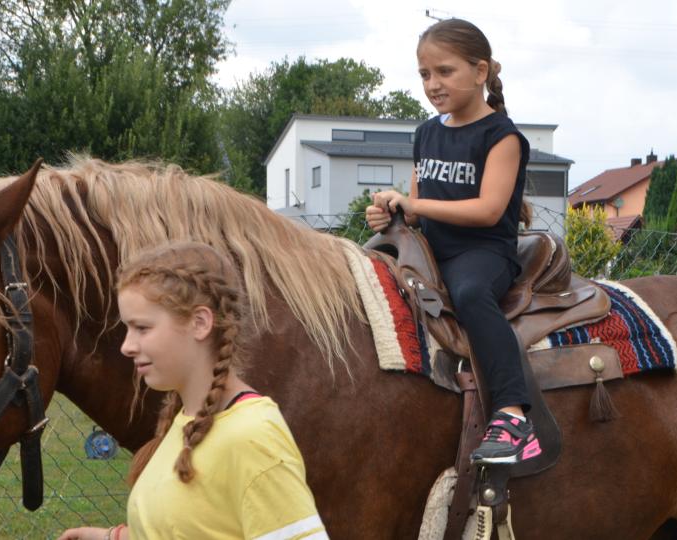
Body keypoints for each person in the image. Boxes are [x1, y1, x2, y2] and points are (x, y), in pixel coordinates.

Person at [58, 241, 326, 540]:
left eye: (142, 328)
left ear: (200, 323)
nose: (127, 346)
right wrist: (112, 537)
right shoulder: (186, 420)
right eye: (127, 329)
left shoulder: (254, 437)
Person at [365, 18, 540, 465]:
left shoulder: (502, 136)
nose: (433, 84)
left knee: (470, 295)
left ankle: (513, 412)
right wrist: (390, 212)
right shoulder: (426, 133)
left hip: (482, 253)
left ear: (480, 72)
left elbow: (488, 210)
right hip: (429, 249)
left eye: (445, 71)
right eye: (425, 74)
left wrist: (415, 206)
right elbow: (417, 201)